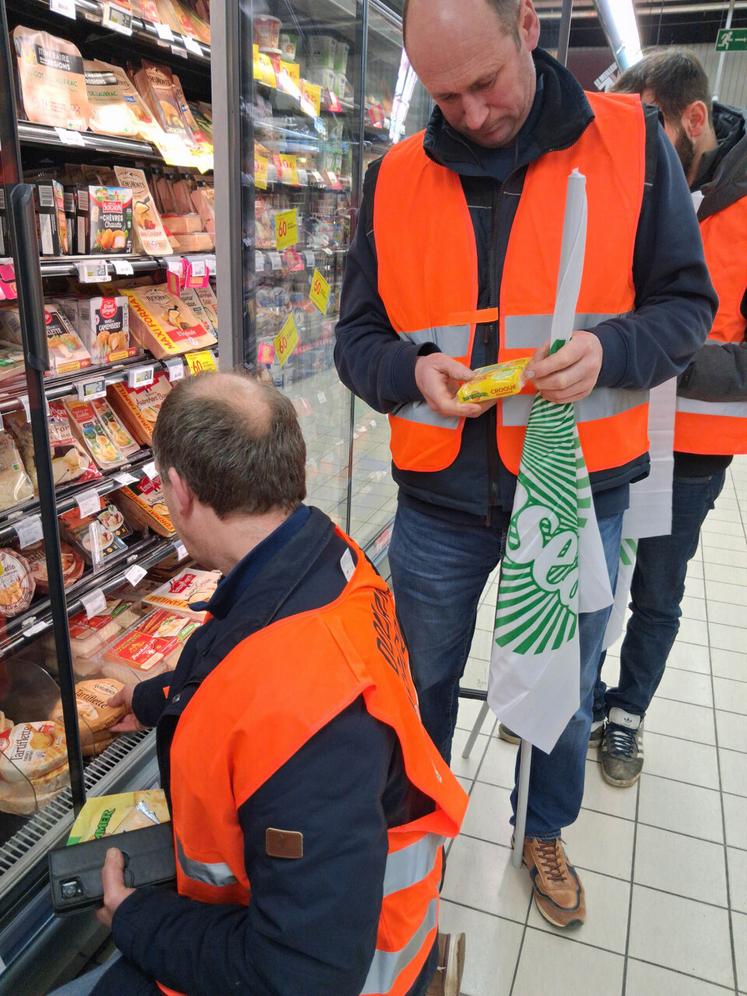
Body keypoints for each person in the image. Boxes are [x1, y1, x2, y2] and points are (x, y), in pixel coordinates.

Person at [334, 0, 717, 928]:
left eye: (484, 82)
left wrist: (610, 351)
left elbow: (684, 304)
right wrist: (409, 369)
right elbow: (356, 337)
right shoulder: (393, 177)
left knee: (567, 679)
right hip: (439, 494)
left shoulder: (629, 141)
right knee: (420, 673)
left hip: (578, 484)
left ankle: (541, 828)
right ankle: (411, 823)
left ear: (528, 28)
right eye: (443, 93)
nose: (467, 112)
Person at [54, 373, 467, 996]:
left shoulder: (309, 725)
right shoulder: (324, 558)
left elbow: (304, 974)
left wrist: (138, 920)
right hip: (299, 905)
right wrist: (154, 699)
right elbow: (245, 675)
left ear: (179, 492)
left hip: (353, 973)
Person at [592, 50, 747, 787]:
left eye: (649, 126)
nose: (638, 146)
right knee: (591, 576)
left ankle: (626, 714)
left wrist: (667, 353)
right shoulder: (634, 180)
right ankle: (582, 699)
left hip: (692, 444)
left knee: (657, 585)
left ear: (693, 119)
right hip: (612, 426)